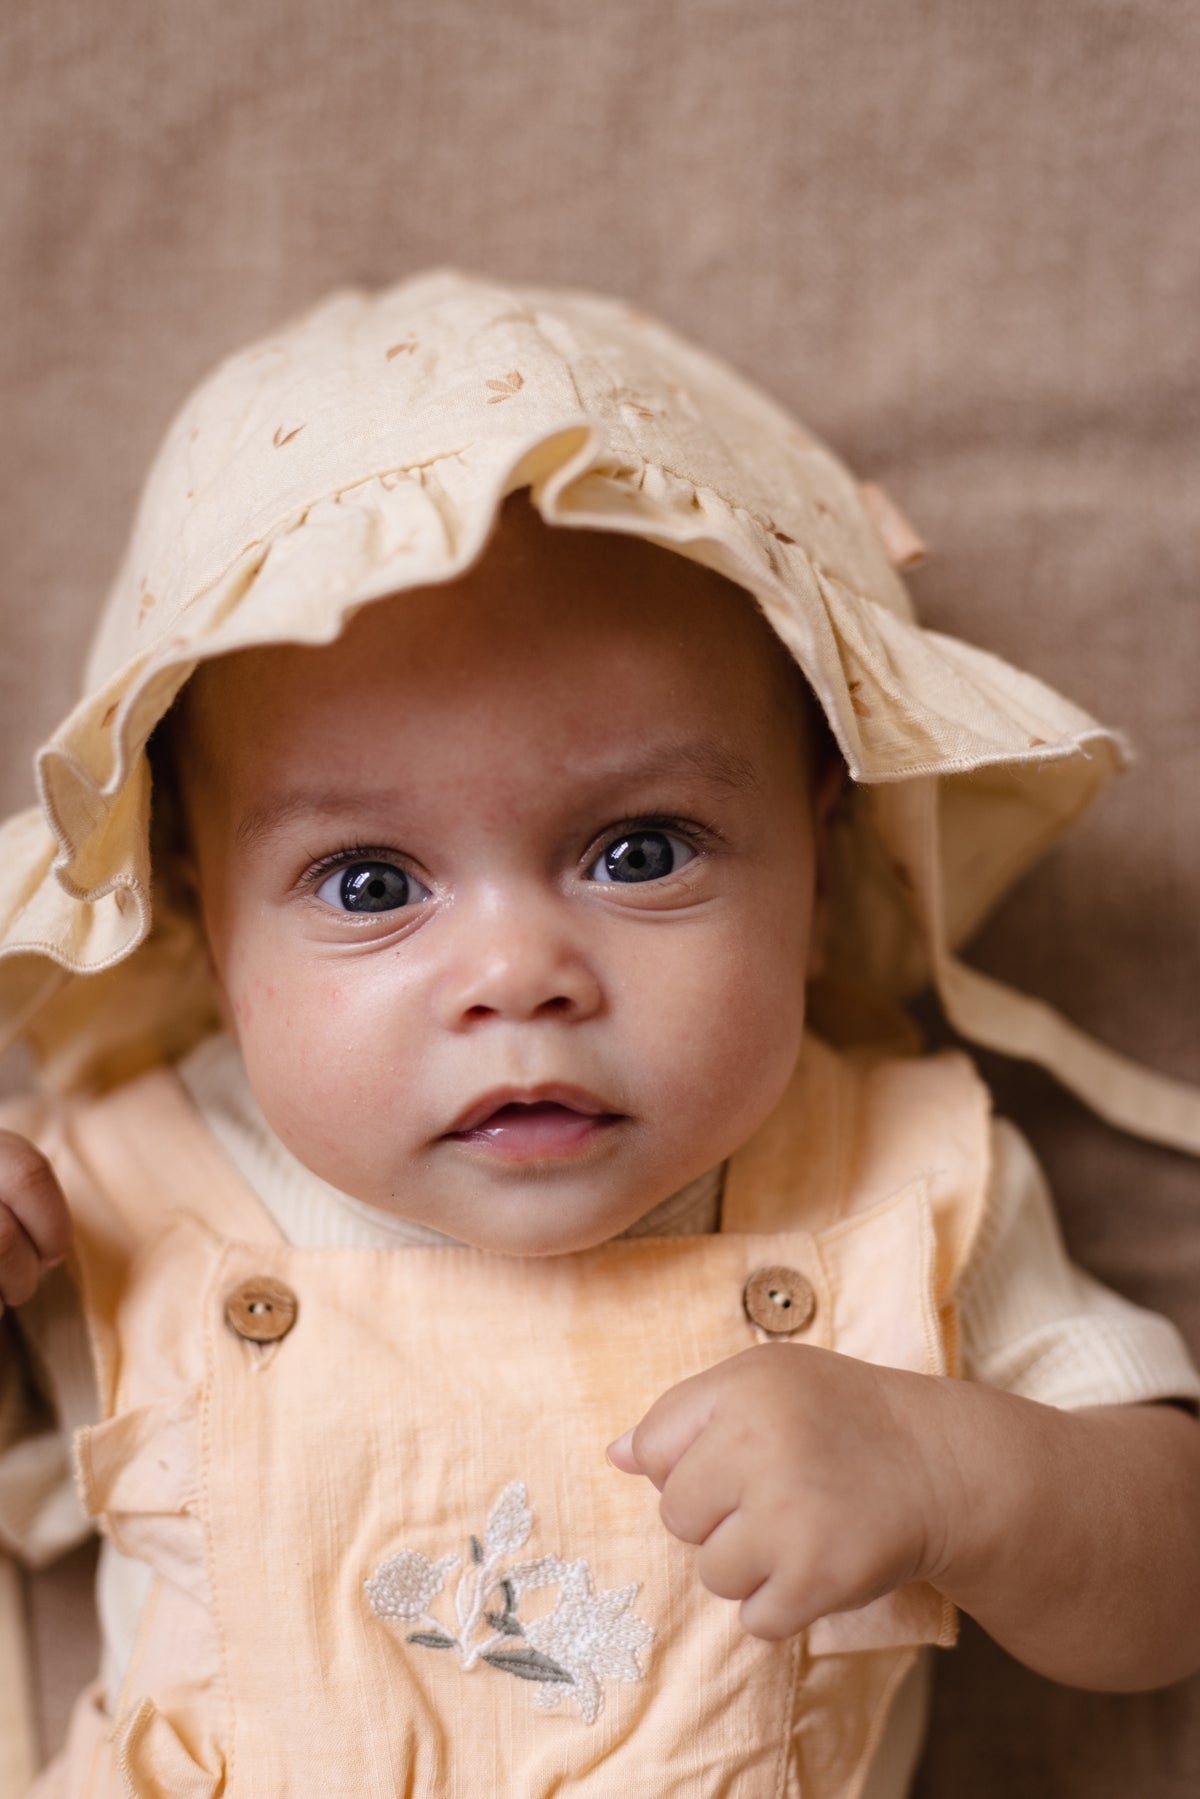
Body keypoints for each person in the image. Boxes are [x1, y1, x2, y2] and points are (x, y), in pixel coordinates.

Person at [0, 269, 1198, 1797]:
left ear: (820, 855)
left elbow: (1172, 1584)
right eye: (372, 883)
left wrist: (957, 1474)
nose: (520, 975)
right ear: (197, 911)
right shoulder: (114, 1191)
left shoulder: (896, 1173)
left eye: (641, 851)